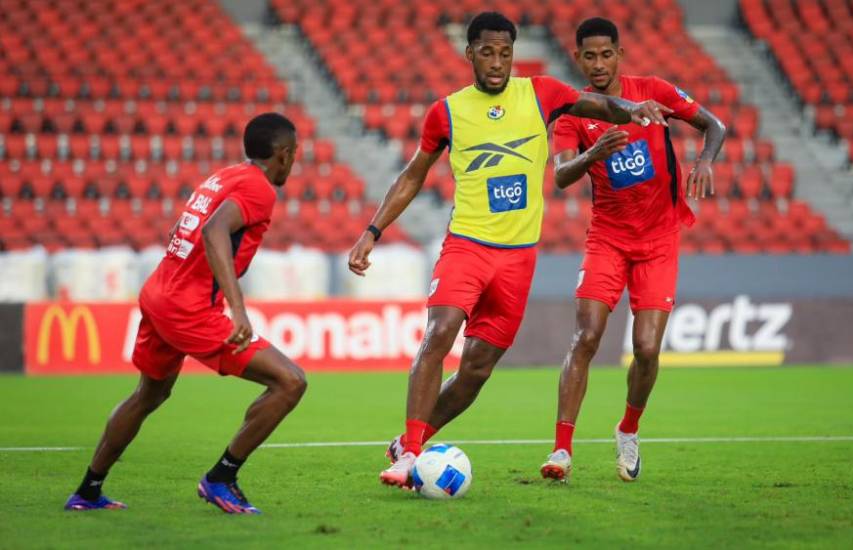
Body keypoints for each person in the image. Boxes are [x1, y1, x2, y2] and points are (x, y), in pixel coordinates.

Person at [347, 11, 672, 488]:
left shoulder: (540, 92)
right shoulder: (447, 112)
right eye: (487, 51)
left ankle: (407, 439)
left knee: (476, 370)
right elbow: (414, 174)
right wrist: (372, 231)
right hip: (468, 246)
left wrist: (633, 109)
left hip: (519, 258)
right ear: (470, 54)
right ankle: (410, 455)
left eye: (505, 52)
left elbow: (596, 107)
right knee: (440, 332)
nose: (497, 62)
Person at [64, 113, 307, 514]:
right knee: (290, 382)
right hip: (187, 307)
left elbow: (188, 227)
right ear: (282, 154)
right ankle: (221, 479)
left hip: (160, 291)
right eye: (294, 153)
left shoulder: (223, 176)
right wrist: (238, 310)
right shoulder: (258, 188)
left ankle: (88, 492)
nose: (294, 161)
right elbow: (213, 231)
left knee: (149, 393)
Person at [539, 17, 726, 483]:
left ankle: (628, 430)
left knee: (646, 348)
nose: (599, 63)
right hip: (607, 238)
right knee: (585, 337)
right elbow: (562, 176)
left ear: (619, 54)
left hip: (659, 240)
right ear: (578, 58)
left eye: (607, 54)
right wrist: (594, 153)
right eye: (590, 56)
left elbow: (714, 125)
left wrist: (704, 161)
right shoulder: (573, 112)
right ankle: (562, 449)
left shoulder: (653, 91)